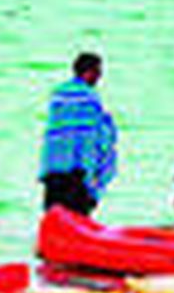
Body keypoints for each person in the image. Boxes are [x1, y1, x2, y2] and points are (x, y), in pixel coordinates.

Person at [39, 53, 118, 216]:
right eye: (98, 71)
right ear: (89, 72)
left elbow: (54, 135)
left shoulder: (58, 95)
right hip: (76, 174)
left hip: (53, 171)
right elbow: (91, 141)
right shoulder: (89, 98)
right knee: (77, 218)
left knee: (53, 218)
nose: (99, 77)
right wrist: (95, 181)